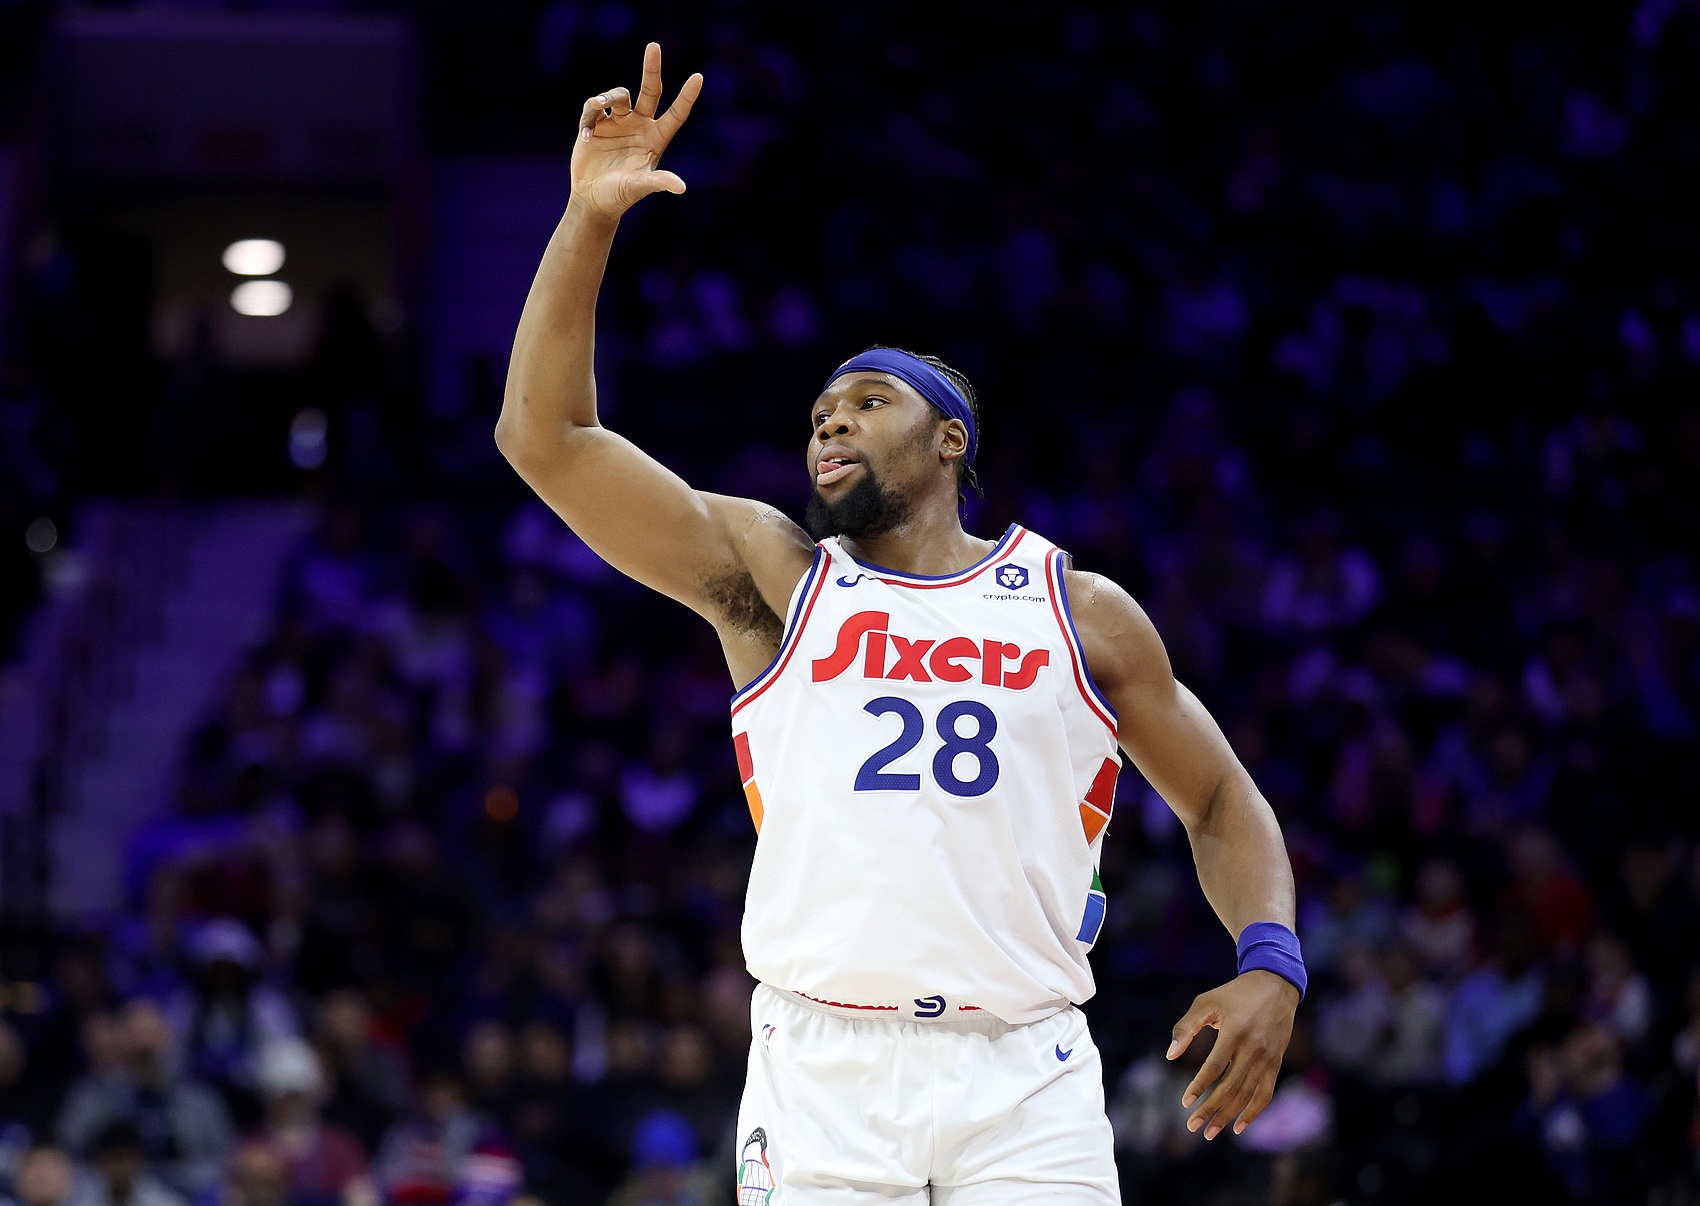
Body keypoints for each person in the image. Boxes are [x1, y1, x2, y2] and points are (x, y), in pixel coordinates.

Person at [496, 42, 1304, 1202]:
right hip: (824, 1069)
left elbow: (1219, 797)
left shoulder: (1078, 610)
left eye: (868, 402)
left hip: (1023, 1071)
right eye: (819, 412)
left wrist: (1269, 960)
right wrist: (586, 221)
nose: (830, 424)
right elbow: (547, 441)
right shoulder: (774, 579)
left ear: (948, 440)